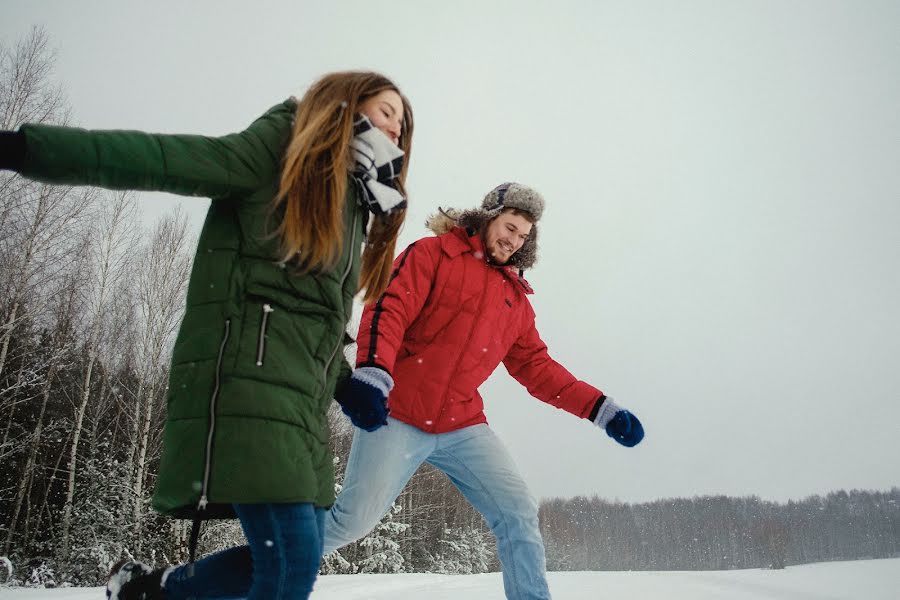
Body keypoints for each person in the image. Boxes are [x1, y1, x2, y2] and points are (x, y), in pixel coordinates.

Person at [0, 71, 414, 600]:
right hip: (248, 378)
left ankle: (153, 590)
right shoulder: (280, 152)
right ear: (347, 104)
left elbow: (314, 320)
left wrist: (343, 382)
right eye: (385, 112)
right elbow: (164, 158)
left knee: (297, 555)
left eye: (401, 126)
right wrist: (25, 149)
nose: (394, 131)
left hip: (302, 407)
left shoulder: (357, 205)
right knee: (289, 566)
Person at [329, 182, 644, 600]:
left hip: (462, 424)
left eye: (523, 236)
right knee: (351, 523)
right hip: (397, 411)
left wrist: (600, 409)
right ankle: (255, 564)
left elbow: (538, 369)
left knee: (517, 510)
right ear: (489, 216)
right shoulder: (433, 254)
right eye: (510, 227)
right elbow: (389, 309)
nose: (513, 240)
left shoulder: (514, 301)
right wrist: (372, 373)